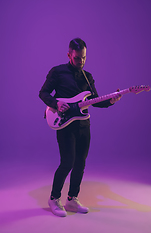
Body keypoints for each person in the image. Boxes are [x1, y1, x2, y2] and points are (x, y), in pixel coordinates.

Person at [39, 38, 121, 217]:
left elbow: (96, 100)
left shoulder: (87, 76)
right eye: (77, 58)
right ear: (69, 55)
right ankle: (54, 198)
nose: (81, 62)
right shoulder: (58, 72)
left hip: (83, 125)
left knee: (80, 163)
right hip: (65, 125)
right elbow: (43, 93)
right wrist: (56, 103)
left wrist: (111, 101)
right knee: (67, 162)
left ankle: (72, 199)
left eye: (84, 58)